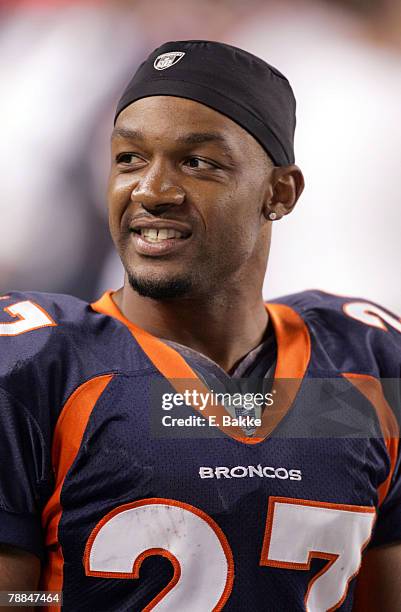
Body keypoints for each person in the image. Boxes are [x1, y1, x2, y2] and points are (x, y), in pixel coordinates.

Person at [0, 40, 400, 611]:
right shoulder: (36, 365)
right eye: (129, 159)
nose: (151, 191)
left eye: (199, 163)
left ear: (279, 193)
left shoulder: (367, 362)